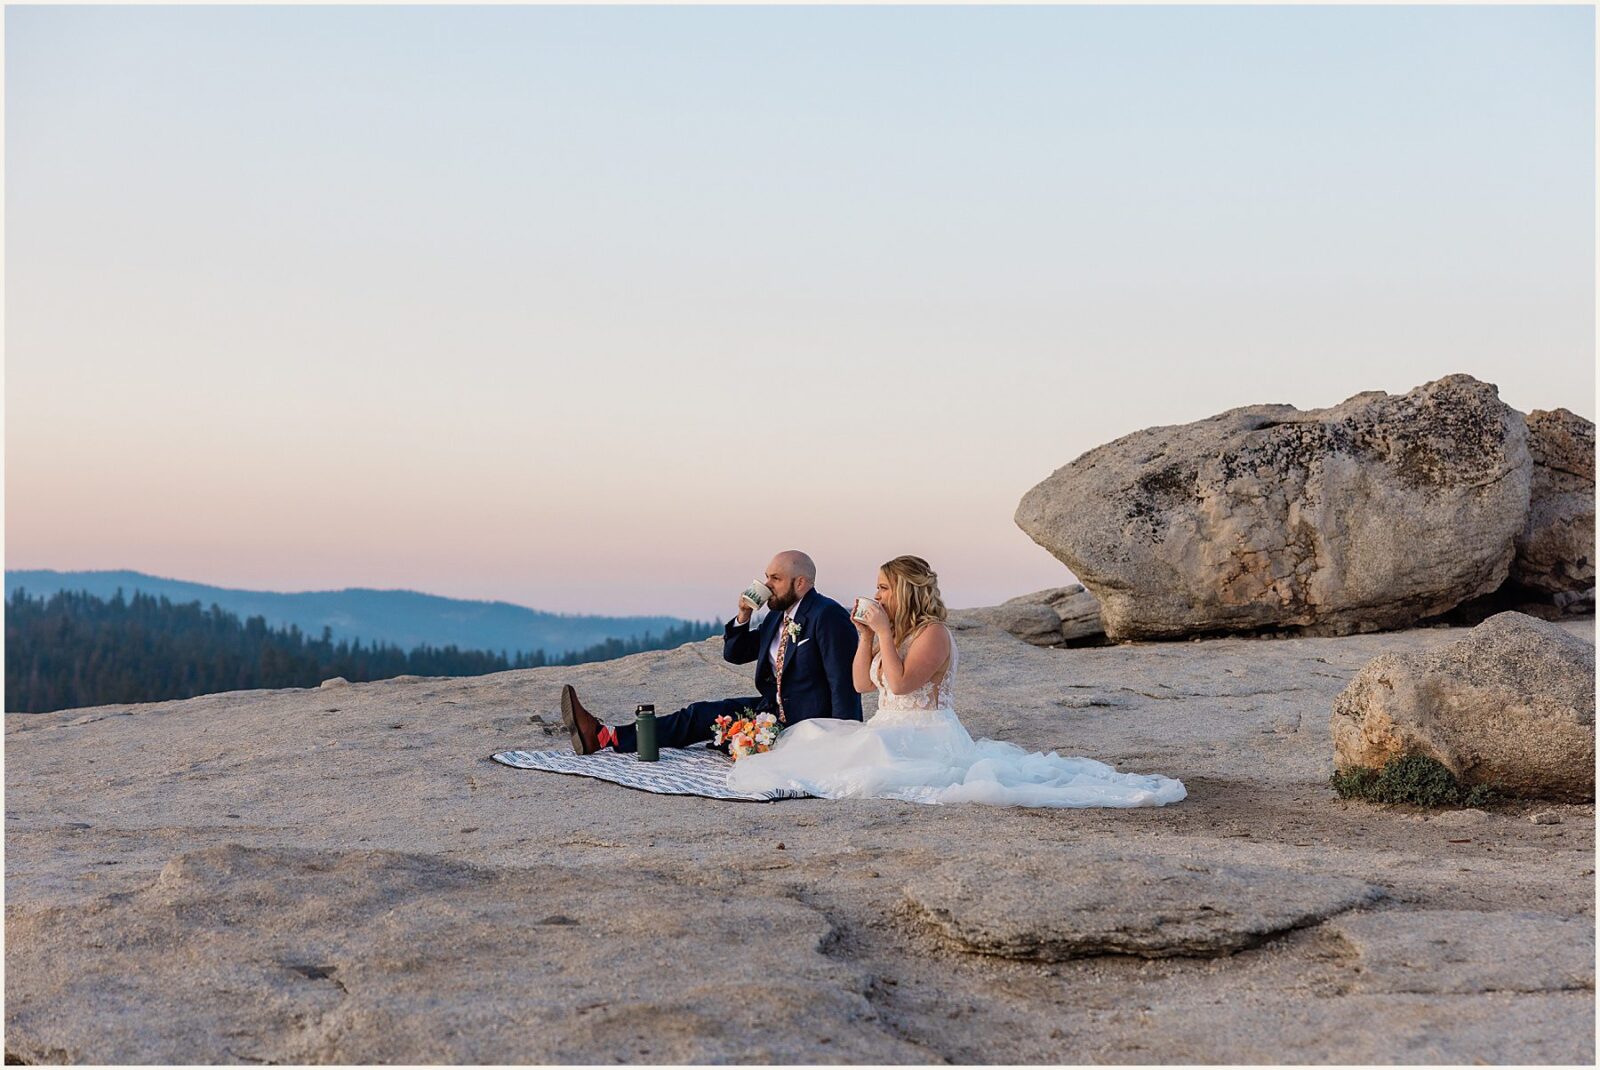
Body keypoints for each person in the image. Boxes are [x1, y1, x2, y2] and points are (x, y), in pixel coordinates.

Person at [727, 555, 1186, 807]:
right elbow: (864, 686)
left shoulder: (933, 635)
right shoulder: (898, 632)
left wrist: (883, 631)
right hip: (889, 726)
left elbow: (903, 687)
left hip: (925, 734)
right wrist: (867, 635)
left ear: (904, 592)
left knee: (861, 764)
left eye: (884, 588)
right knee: (813, 741)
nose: (878, 594)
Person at [560, 550, 861, 754]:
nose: (766, 585)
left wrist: (841, 745)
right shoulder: (776, 614)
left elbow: (843, 684)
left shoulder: (827, 616)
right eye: (767, 577)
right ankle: (605, 737)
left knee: (723, 734)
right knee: (700, 714)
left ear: (801, 583)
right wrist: (743, 615)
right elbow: (736, 654)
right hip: (770, 710)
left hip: (806, 725)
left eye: (775, 579)